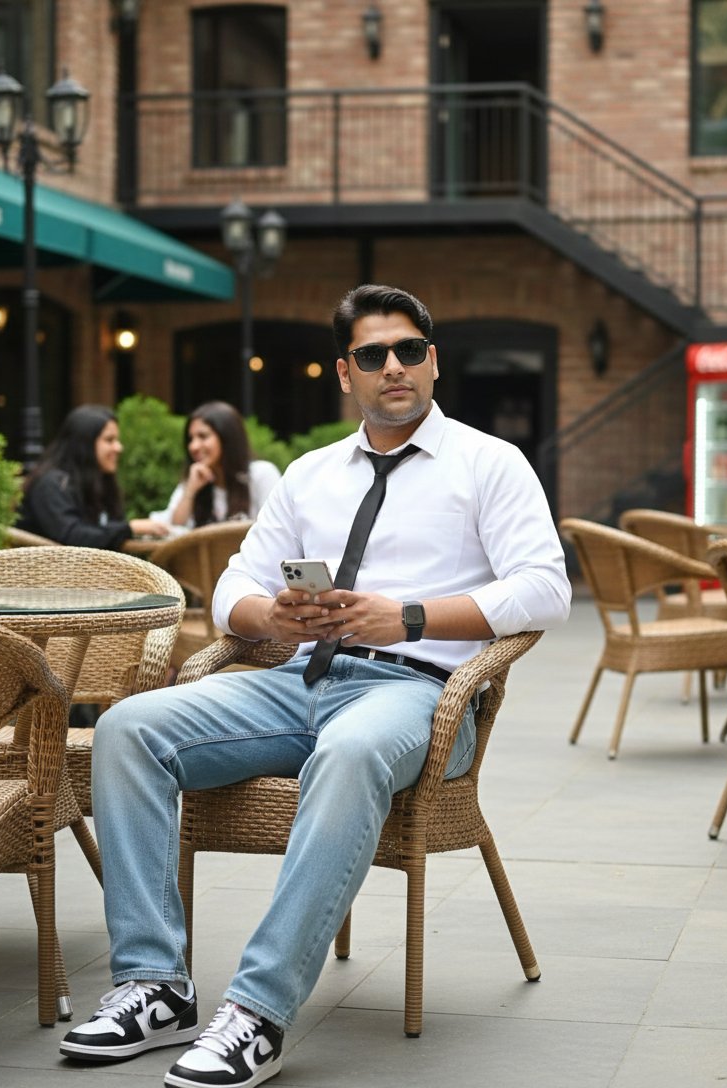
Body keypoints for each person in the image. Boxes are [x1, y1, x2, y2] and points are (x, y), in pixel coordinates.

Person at [59, 285, 571, 1087]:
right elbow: (231, 586)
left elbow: (545, 589)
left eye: (408, 351)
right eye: (372, 356)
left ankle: (258, 1012)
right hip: (299, 678)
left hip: (418, 694)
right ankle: (156, 984)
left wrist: (403, 618)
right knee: (129, 730)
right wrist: (275, 619)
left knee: (349, 751)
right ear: (346, 374)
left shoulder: (488, 464)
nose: (393, 367)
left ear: (433, 362)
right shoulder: (308, 476)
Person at [16, 404, 169, 549]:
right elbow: (73, 537)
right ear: (85, 444)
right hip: (45, 573)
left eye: (117, 440)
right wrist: (131, 528)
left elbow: (106, 529)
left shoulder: (98, 481)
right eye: (109, 440)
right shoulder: (51, 484)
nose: (119, 447)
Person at [151, 401, 281, 529]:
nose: (193, 446)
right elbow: (173, 529)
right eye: (191, 439)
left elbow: (276, 529)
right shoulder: (194, 479)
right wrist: (190, 490)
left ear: (227, 438)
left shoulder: (261, 474)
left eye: (203, 436)